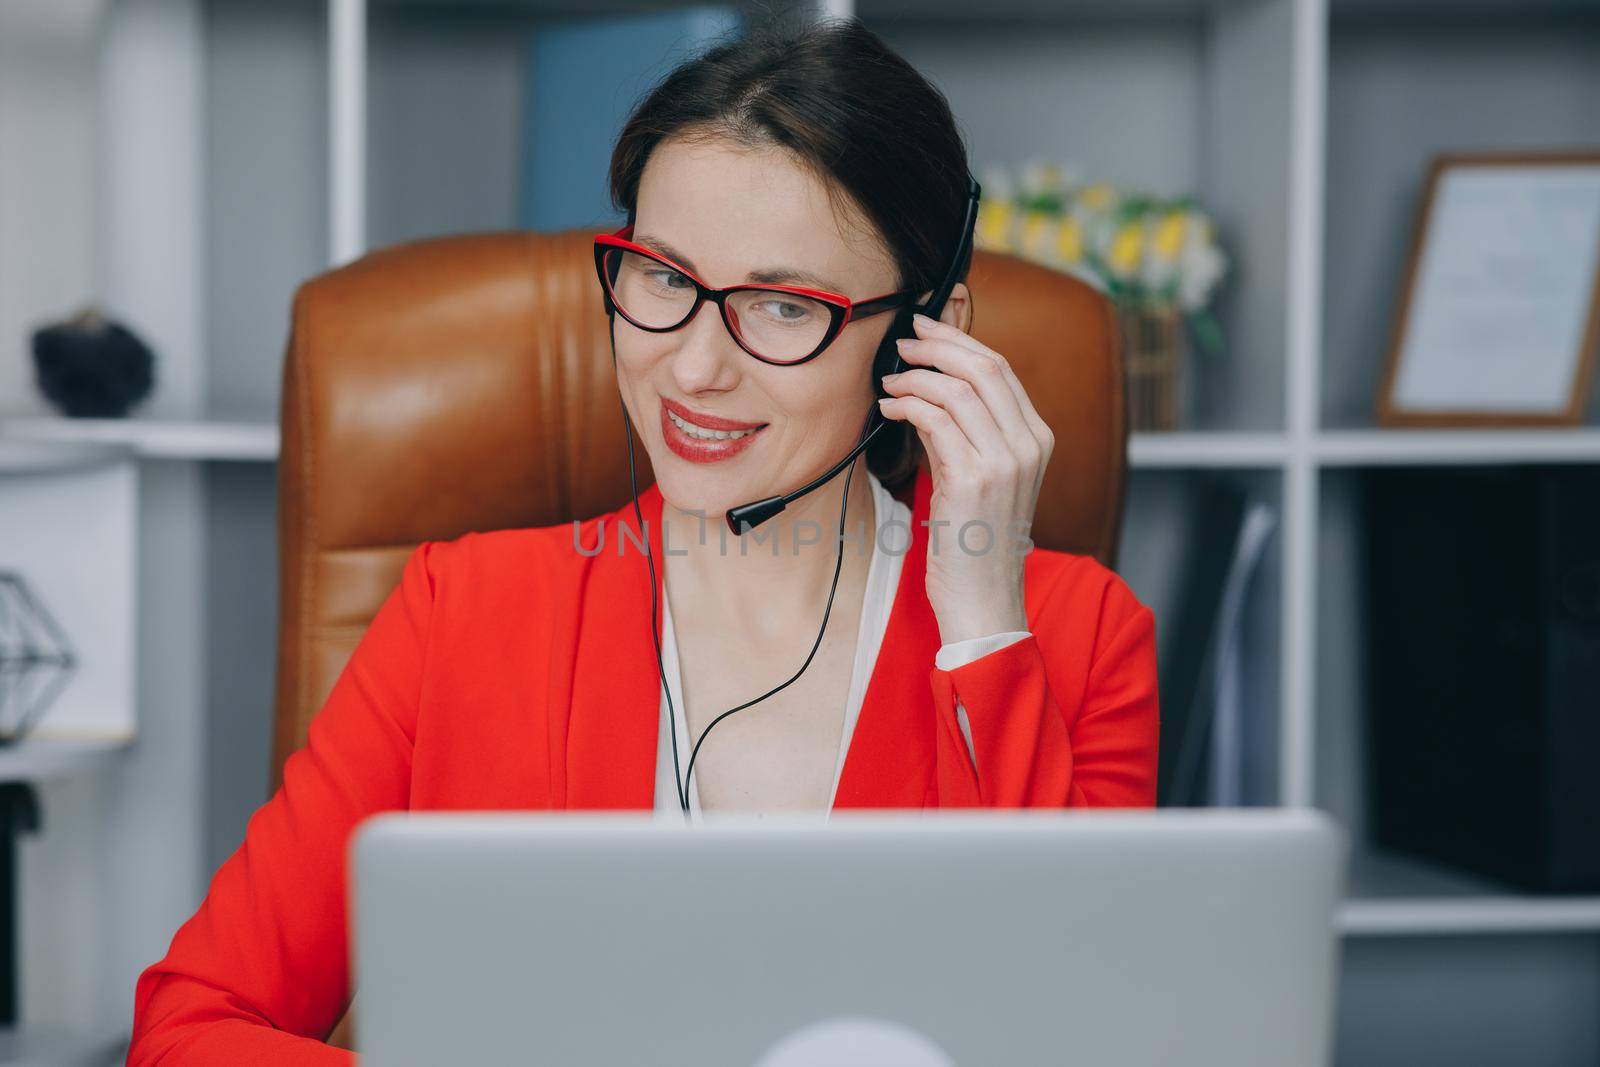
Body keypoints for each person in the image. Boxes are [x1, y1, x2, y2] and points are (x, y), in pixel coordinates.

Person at [125, 15, 1159, 1064]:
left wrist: (982, 621)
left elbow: (1083, 1031)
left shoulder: (1072, 635)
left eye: (781, 304)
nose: (694, 368)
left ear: (928, 333)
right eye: (664, 278)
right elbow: (190, 1027)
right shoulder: (461, 611)